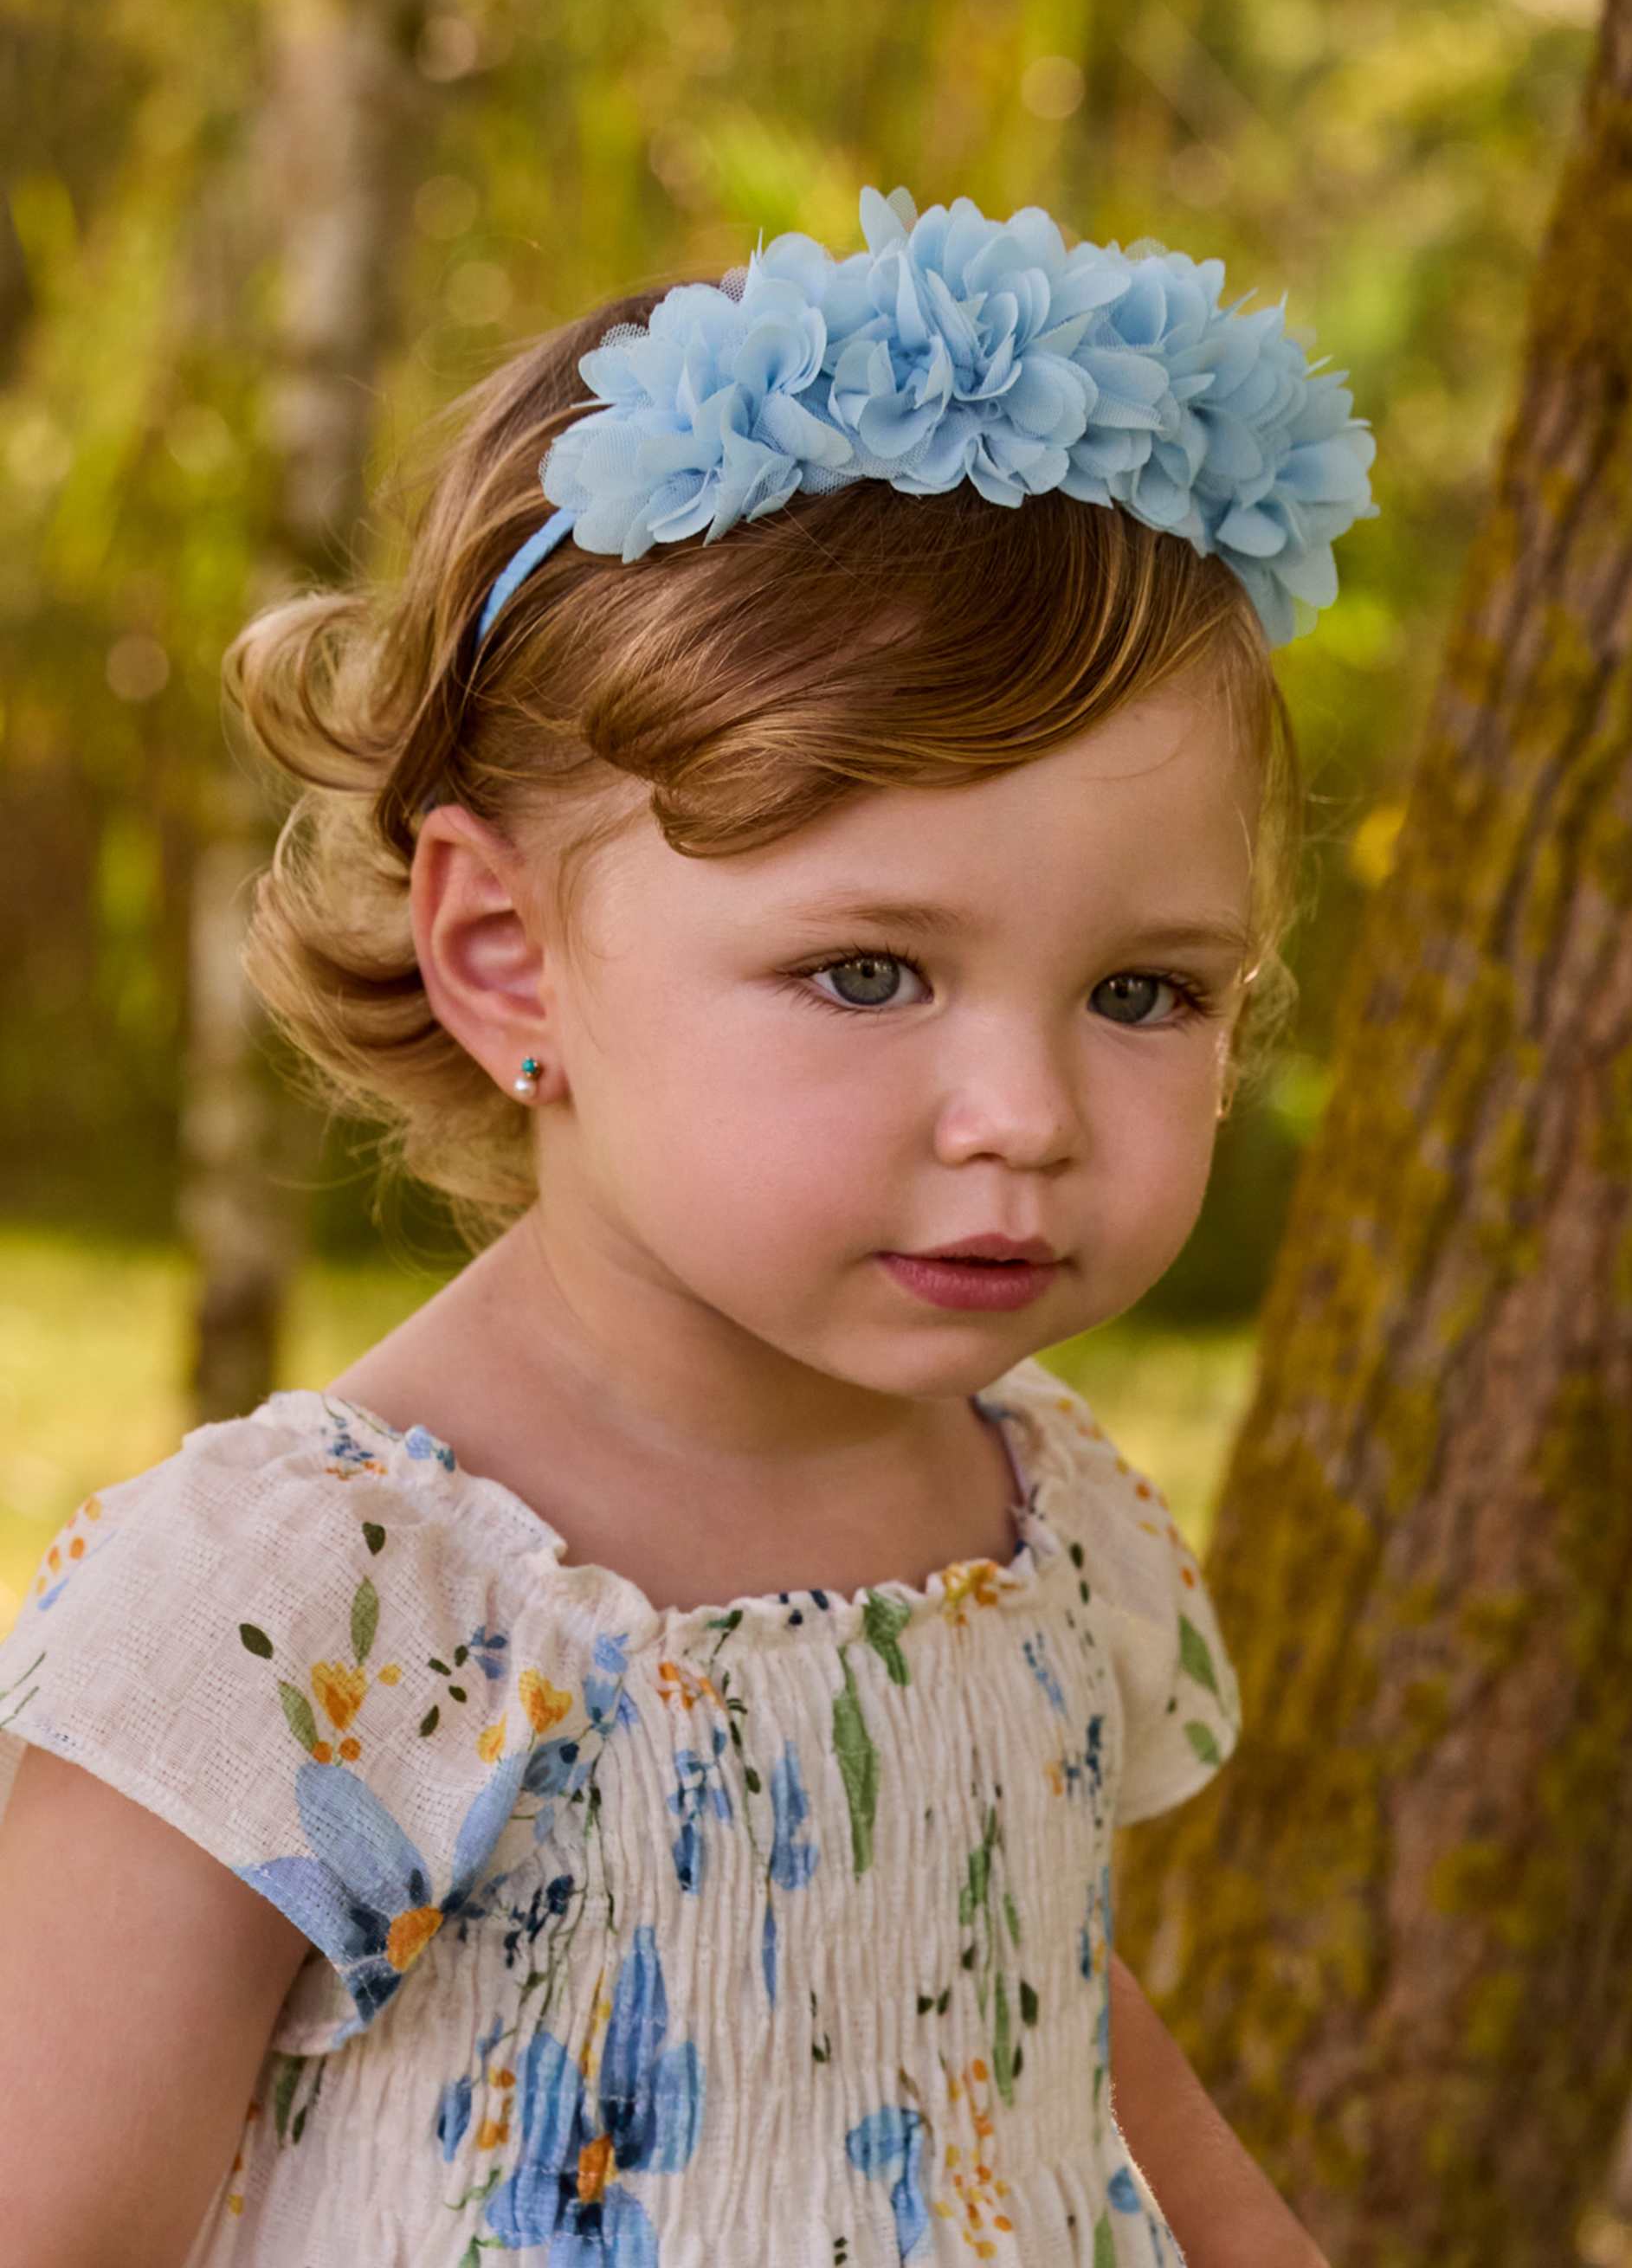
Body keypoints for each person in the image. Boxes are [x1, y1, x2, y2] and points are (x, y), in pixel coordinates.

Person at [0, 184, 1374, 2266]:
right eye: (866, 973)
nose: (1025, 1119)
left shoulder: (1044, 1517)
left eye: (1142, 993)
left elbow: (1030, 2021)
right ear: (507, 951)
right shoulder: (315, 1614)